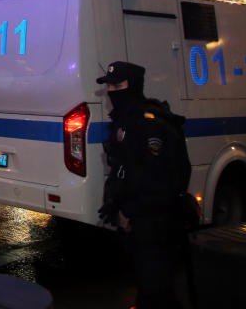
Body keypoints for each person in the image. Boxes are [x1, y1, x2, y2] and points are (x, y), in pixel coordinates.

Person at [96, 61, 191, 309]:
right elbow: (124, 170)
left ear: (133, 86)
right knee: (151, 290)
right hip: (140, 223)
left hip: (156, 223)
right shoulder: (125, 119)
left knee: (155, 291)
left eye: (118, 85)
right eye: (110, 86)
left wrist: (131, 211)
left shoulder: (149, 124)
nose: (112, 91)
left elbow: (158, 181)